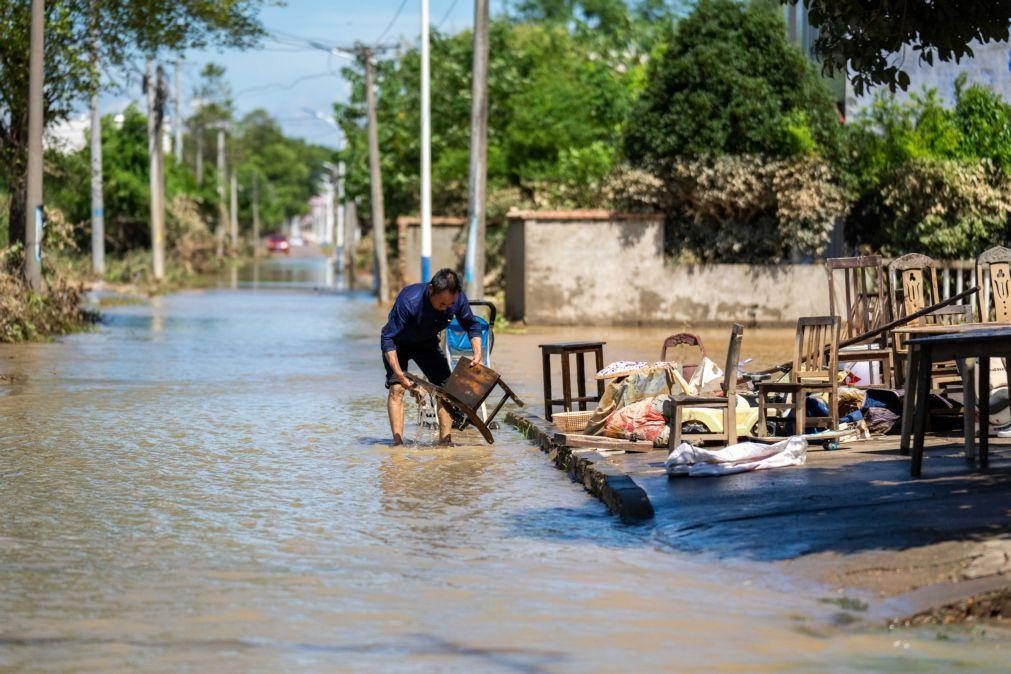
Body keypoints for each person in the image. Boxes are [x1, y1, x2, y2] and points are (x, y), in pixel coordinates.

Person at [381, 268, 483, 445]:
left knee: (445, 391)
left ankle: (445, 442)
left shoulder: (457, 299)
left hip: (427, 343)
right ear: (431, 290)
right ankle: (397, 443)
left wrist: (477, 352)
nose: (446, 308)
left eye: (450, 304)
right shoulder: (409, 300)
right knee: (397, 389)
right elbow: (388, 337)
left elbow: (472, 325)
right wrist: (399, 374)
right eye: (442, 304)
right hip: (399, 343)